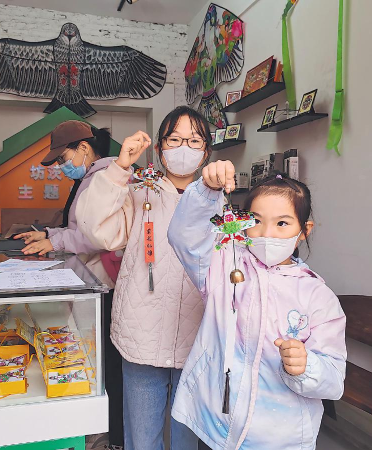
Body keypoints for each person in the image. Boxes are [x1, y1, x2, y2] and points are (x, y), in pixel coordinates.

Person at [167, 161, 347, 449]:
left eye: (282, 223)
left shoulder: (317, 296)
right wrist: (206, 191)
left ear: (304, 230)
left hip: (279, 436)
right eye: (256, 221)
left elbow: (334, 379)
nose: (267, 233)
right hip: (216, 424)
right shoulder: (224, 263)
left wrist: (307, 367)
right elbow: (184, 236)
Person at [76, 106, 212, 450]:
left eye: (194, 141)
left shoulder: (216, 203)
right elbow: (95, 230)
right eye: (175, 139)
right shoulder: (137, 192)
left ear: (206, 151)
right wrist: (119, 168)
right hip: (141, 336)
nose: (184, 148)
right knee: (142, 438)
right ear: (160, 147)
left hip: (197, 338)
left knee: (187, 440)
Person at [14, 120, 124, 449]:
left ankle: (111, 436)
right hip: (93, 283)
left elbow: (98, 237)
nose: (62, 167)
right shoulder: (89, 178)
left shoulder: (106, 178)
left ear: (84, 148)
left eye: (63, 159)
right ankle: (101, 432)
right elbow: (78, 229)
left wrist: (55, 242)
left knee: (107, 366)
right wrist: (49, 235)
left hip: (105, 286)